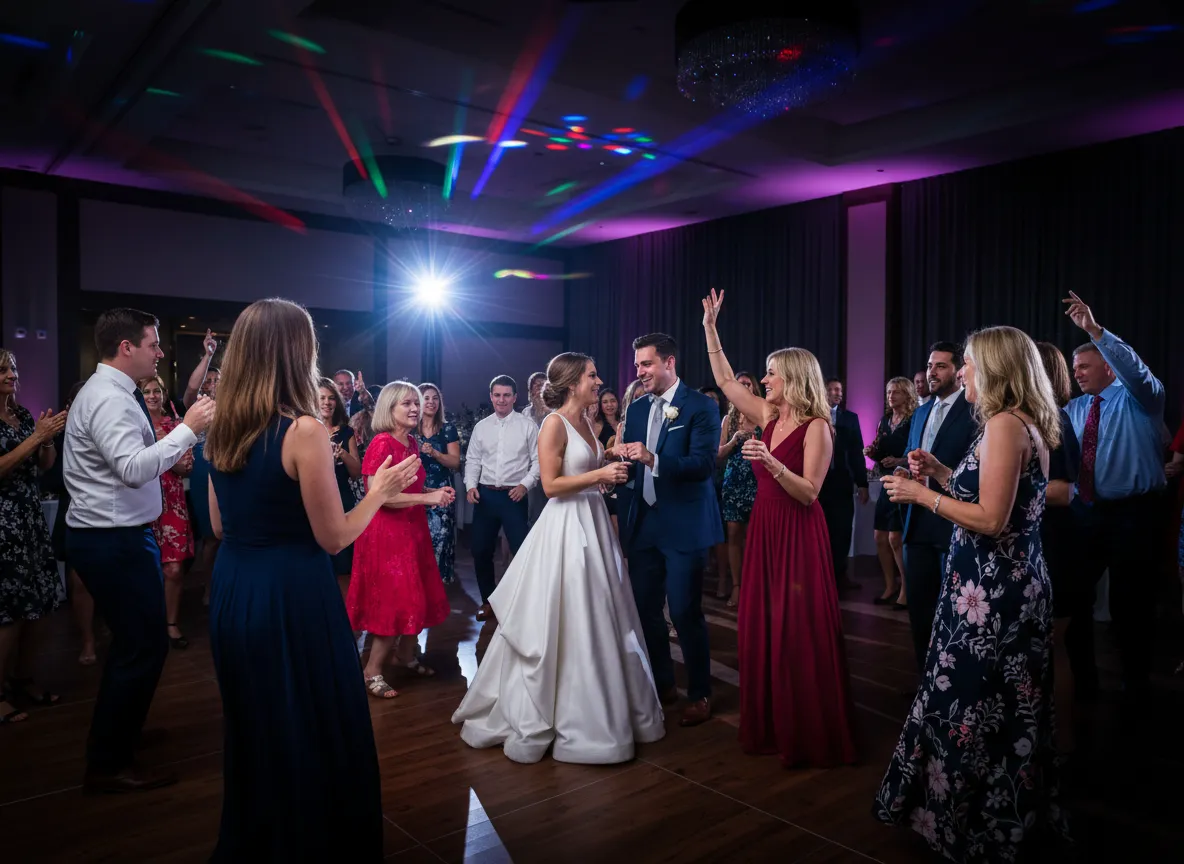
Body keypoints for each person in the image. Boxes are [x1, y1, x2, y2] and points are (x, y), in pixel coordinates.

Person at [204, 299, 420, 860]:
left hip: (234, 590)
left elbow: (220, 526)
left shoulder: (221, 426)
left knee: (257, 724)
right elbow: (334, 537)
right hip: (291, 593)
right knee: (312, 720)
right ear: (297, 354)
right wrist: (379, 492)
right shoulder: (303, 431)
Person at [876, 326, 1067, 862]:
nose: (961, 372)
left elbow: (989, 518)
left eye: (968, 363)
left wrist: (919, 495)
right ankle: (995, 816)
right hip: (998, 586)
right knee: (996, 705)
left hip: (994, 594)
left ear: (995, 368)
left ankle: (974, 823)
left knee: (975, 705)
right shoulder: (1015, 420)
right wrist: (940, 472)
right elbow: (986, 492)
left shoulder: (1005, 424)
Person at [454, 353, 663, 763]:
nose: (598, 381)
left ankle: (605, 701)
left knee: (600, 609)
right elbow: (551, 485)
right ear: (571, 383)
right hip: (566, 525)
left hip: (593, 522)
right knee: (568, 610)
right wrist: (600, 475)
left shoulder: (585, 420)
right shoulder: (553, 423)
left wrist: (607, 458)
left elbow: (581, 466)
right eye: (592, 375)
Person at [701, 289, 856, 767]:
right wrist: (710, 328)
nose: (764, 379)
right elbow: (725, 381)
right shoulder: (768, 415)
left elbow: (809, 492)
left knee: (796, 628)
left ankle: (806, 727)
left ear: (793, 379)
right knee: (763, 624)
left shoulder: (818, 427)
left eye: (771, 373)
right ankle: (771, 721)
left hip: (797, 532)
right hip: (765, 528)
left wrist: (770, 462)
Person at [64, 308, 215, 791]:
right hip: (112, 539)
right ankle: (108, 763)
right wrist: (187, 428)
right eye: (153, 344)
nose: (160, 351)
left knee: (136, 644)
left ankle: (121, 733)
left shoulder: (112, 391)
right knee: (142, 647)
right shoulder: (108, 399)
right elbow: (132, 469)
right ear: (126, 347)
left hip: (118, 536)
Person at [1063, 292, 1166, 702]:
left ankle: (1135, 683)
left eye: (1084, 366)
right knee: (1075, 598)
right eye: (1074, 368)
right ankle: (1084, 680)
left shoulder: (1142, 397)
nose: (1077, 374)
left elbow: (1134, 369)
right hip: (1086, 512)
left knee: (1131, 603)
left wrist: (1095, 331)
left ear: (1108, 366)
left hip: (1134, 515)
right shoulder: (1074, 409)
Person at [617, 332, 723, 727]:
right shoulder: (637, 409)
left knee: (683, 610)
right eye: (637, 365)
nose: (639, 372)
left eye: (646, 364)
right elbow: (633, 464)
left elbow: (703, 465)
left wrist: (654, 459)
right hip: (644, 523)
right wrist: (616, 472)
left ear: (669, 362)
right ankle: (663, 684)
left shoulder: (700, 406)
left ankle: (700, 692)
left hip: (683, 525)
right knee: (646, 609)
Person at [349, 382, 454, 698]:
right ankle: (372, 670)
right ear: (389, 408)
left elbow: (408, 488)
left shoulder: (411, 442)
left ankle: (405, 656)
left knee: (419, 594)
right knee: (395, 600)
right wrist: (427, 499)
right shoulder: (381, 443)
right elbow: (378, 496)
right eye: (406, 403)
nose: (415, 408)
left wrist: (432, 492)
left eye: (416, 403)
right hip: (387, 535)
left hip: (412, 529)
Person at [0, 348, 68, 726]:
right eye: (3, 370)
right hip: (3, 524)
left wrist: (46, 440)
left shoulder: (23, 415)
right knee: (8, 613)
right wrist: (35, 438)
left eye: (13, 368)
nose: (12, 375)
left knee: (37, 607)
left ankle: (22, 679)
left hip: (29, 518)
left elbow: (44, 465)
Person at [900, 341, 977, 672]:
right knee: (920, 609)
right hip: (917, 522)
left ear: (958, 371)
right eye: (930, 365)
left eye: (941, 366)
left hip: (954, 521)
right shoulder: (920, 412)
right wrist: (905, 472)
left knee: (954, 612)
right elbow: (911, 456)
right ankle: (925, 681)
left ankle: (951, 681)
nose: (932, 372)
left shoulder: (975, 411)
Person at [1035, 341, 1083, 757]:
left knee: (1053, 645)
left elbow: (1063, 492)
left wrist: (999, 490)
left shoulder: (1055, 420)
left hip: (1053, 545)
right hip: (1041, 544)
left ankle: (1063, 744)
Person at [464, 376, 540, 624]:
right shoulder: (481, 427)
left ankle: (521, 603)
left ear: (515, 397)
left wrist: (524, 485)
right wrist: (470, 486)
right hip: (485, 496)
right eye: (497, 395)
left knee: (521, 552)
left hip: (513, 496)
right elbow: (473, 460)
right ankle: (488, 602)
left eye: (507, 395)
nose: (501, 400)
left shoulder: (528, 426)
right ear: (491, 397)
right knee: (480, 550)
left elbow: (538, 461)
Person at [139, 376, 195, 650]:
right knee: (145, 570)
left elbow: (185, 469)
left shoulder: (176, 426)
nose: (152, 396)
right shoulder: (134, 425)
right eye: (146, 391)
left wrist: (167, 452)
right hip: (140, 503)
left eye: (156, 391)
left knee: (173, 568)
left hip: (172, 502)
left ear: (163, 394)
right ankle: (146, 625)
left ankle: (171, 623)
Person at [865, 377, 917, 608]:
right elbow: (879, 450)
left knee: (896, 538)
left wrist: (899, 461)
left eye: (896, 392)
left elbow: (917, 452)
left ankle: (906, 588)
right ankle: (890, 586)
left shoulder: (913, 419)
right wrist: (871, 451)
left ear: (907, 394)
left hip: (904, 481)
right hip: (885, 481)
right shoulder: (884, 420)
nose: (891, 396)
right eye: (888, 392)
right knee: (879, 537)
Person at [717, 372, 762, 609]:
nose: (744, 387)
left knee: (757, 535)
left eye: (748, 384)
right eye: (740, 384)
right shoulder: (729, 419)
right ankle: (737, 585)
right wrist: (734, 439)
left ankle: (756, 586)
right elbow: (718, 454)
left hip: (759, 481)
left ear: (754, 388)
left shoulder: (764, 413)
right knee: (733, 532)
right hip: (734, 481)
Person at [820, 378, 869, 591]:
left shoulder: (850, 418)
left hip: (842, 482)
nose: (836, 393)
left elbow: (857, 452)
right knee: (820, 530)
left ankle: (840, 575)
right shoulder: (814, 416)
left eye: (839, 390)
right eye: (832, 389)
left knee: (842, 530)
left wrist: (862, 483)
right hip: (818, 483)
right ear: (824, 392)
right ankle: (820, 576)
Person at [317, 378, 362, 592]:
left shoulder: (346, 432)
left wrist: (342, 453)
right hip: (314, 500)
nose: (327, 402)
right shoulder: (305, 431)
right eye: (322, 398)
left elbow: (356, 473)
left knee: (343, 565)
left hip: (342, 499)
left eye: (331, 398)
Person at [418, 383, 461, 584]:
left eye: (435, 398)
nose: (431, 402)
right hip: (415, 491)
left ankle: (438, 583)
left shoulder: (448, 429)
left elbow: (455, 462)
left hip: (442, 490)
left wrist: (435, 453)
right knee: (419, 537)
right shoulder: (410, 428)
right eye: (426, 398)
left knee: (440, 537)